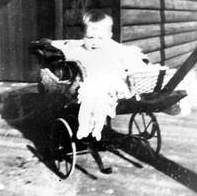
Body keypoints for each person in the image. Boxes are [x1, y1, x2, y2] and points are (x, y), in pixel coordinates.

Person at [51, 10, 166, 140]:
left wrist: (139, 65)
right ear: (82, 36)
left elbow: (128, 55)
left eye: (100, 38)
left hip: (114, 84)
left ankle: (97, 126)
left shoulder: (112, 47)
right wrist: (61, 44)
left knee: (113, 91)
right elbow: (67, 51)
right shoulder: (80, 49)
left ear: (109, 36)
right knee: (92, 96)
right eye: (90, 37)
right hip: (92, 83)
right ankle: (85, 125)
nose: (95, 42)